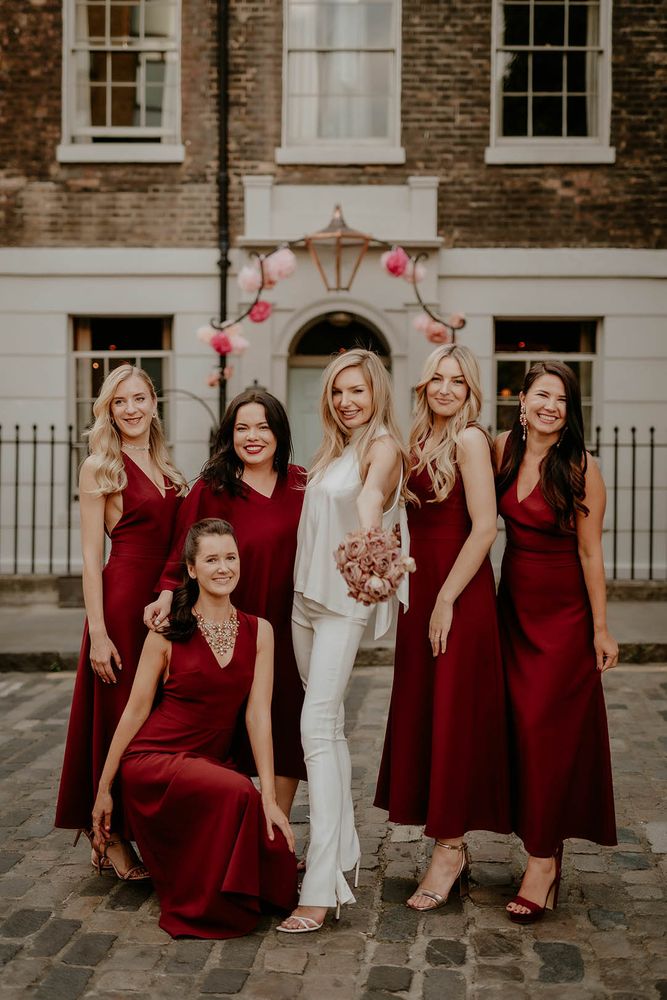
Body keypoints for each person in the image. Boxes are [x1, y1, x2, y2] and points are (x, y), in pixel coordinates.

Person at [91, 518, 298, 938]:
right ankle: (209, 904)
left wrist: (270, 798)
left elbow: (258, 715)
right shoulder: (166, 633)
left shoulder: (261, 631)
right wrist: (104, 787)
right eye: (211, 560)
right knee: (238, 791)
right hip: (154, 762)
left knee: (276, 855)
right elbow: (134, 712)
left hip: (210, 765)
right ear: (191, 568)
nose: (223, 568)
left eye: (230, 558)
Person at [278, 348, 410, 933]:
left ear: (376, 391)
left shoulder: (383, 446)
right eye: (337, 391)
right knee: (326, 728)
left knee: (314, 729)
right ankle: (346, 851)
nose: (346, 401)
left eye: (356, 390)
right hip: (304, 601)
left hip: (343, 605)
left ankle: (321, 883)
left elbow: (371, 496)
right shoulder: (333, 450)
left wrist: (369, 537)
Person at [375, 345, 511, 910]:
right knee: (428, 713)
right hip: (421, 590)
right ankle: (448, 840)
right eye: (437, 378)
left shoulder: (470, 440)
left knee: (453, 716)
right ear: (424, 384)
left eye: (457, 381)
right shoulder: (415, 439)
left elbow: (485, 528)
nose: (446, 389)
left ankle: (450, 850)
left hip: (458, 593)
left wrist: (446, 599)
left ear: (470, 389)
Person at [494, 361, 618, 924]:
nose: (551, 406)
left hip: (563, 618)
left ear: (571, 412)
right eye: (542, 395)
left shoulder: (582, 468)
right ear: (522, 400)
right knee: (518, 733)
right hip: (512, 611)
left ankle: (542, 863)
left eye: (562, 399)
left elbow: (591, 552)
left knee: (545, 733)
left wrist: (600, 627)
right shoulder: (501, 450)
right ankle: (543, 846)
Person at [144, 389, 306, 816]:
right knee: (224, 724)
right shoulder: (211, 488)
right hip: (225, 623)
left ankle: (276, 824)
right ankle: (226, 817)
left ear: (279, 433)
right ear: (229, 435)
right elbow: (181, 551)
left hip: (287, 623)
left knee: (284, 720)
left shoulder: (302, 484)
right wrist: (166, 594)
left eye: (263, 427)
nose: (253, 437)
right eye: (242, 428)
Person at [56, 364, 187, 879]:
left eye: (139, 398)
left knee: (157, 715)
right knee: (118, 716)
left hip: (166, 601)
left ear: (154, 402)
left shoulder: (166, 464)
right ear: (108, 410)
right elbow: (92, 560)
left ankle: (149, 826)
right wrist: (99, 633)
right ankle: (108, 834)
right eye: (119, 401)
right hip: (122, 599)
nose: (131, 409)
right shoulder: (99, 467)